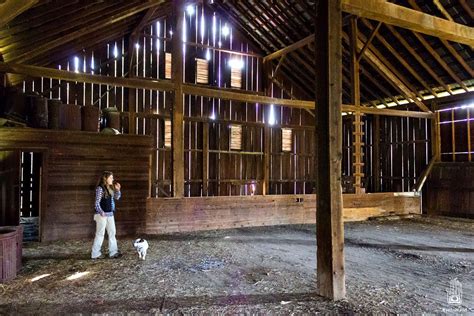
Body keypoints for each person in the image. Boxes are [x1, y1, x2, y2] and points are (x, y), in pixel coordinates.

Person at [91, 171, 122, 259]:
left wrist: (118, 190)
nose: (113, 179)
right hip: (101, 215)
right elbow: (96, 203)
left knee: (112, 233)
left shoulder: (110, 188)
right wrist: (101, 212)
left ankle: (113, 252)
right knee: (100, 234)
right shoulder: (100, 188)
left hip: (110, 214)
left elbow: (117, 197)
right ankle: (95, 254)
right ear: (106, 178)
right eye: (111, 177)